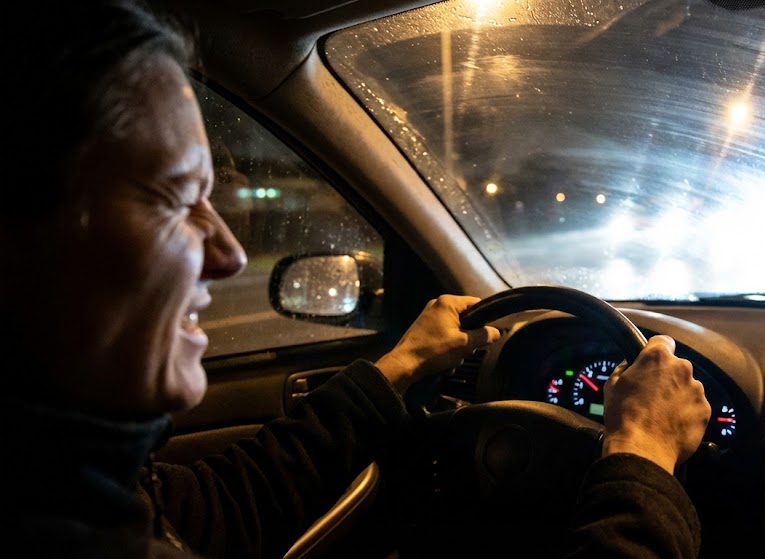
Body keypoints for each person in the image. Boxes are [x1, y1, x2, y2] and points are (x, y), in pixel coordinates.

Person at [0, 1, 710, 558]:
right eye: (178, 199)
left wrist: (398, 366)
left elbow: (214, 509)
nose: (228, 254)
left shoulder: (67, 484)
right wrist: (641, 458)